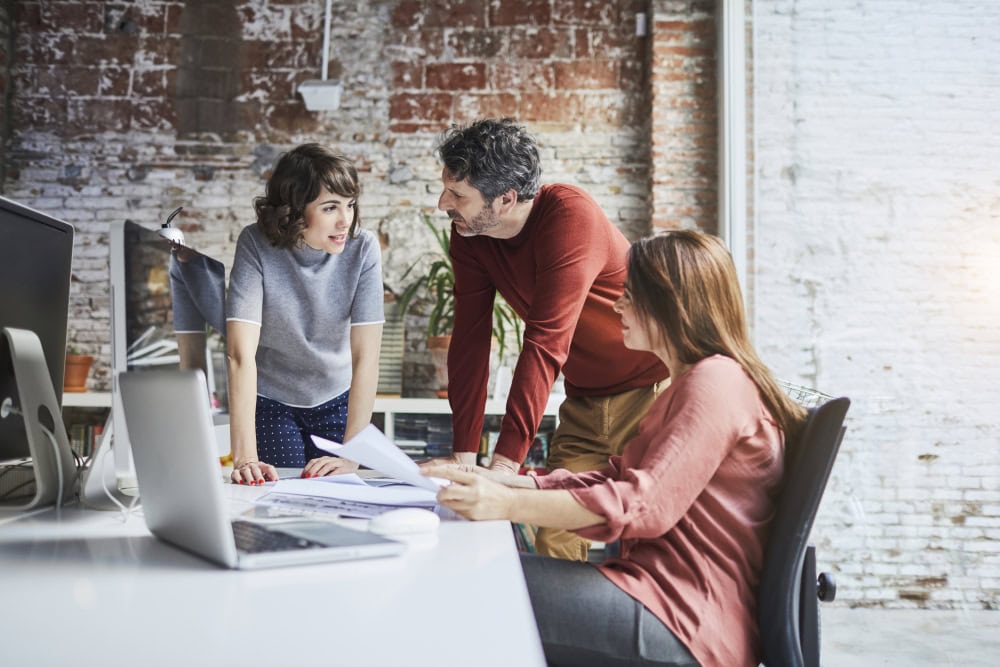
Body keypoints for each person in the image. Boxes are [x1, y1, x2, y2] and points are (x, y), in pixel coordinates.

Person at [425, 230, 808, 667]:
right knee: (478, 582)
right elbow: (615, 478)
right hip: (657, 596)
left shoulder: (716, 382)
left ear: (670, 303)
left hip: (682, 618)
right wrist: (513, 482)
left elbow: (642, 505)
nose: (617, 305)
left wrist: (505, 503)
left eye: (630, 294)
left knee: (470, 584)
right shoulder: (692, 382)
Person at [434, 118, 668, 560]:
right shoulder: (470, 234)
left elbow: (545, 342)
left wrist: (503, 467)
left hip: (651, 395)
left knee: (653, 533)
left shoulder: (568, 215)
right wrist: (464, 457)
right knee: (555, 538)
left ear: (505, 199)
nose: (444, 202)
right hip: (585, 405)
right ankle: (553, 631)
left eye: (458, 194)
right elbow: (470, 339)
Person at [226, 144, 384, 485]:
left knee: (340, 495)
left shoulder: (364, 247)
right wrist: (244, 458)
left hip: (338, 398)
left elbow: (366, 356)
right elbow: (240, 354)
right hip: (273, 403)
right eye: (330, 208)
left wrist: (354, 453)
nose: (346, 221)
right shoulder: (255, 243)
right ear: (296, 209)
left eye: (350, 205)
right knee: (280, 495)